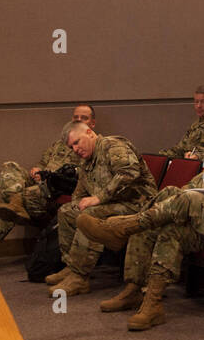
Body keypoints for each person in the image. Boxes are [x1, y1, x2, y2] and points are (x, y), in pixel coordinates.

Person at [82, 120, 204, 315]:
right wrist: (180, 197)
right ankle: (134, 289)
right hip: (193, 208)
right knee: (154, 218)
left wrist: (186, 196)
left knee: (154, 212)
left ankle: (125, 226)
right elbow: (192, 185)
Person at [43, 122, 155, 297]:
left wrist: (99, 198)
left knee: (90, 215)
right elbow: (79, 194)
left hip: (138, 204)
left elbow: (129, 173)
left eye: (77, 142)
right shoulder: (87, 162)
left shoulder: (113, 145)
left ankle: (80, 277)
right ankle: (71, 266)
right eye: (72, 147)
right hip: (114, 204)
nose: (75, 149)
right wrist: (78, 204)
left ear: (89, 132)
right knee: (66, 211)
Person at [0, 105, 93, 266]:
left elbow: (83, 177)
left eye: (84, 118)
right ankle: (15, 202)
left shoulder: (89, 145)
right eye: (76, 117)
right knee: (10, 167)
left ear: (92, 124)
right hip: (40, 182)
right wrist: (37, 170)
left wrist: (51, 178)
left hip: (57, 191)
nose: (79, 120)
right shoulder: (59, 143)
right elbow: (43, 162)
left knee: (16, 201)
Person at [161, 87, 204, 159]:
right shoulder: (196, 125)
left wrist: (197, 155)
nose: (199, 106)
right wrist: (162, 156)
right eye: (196, 102)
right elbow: (181, 148)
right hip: (189, 163)